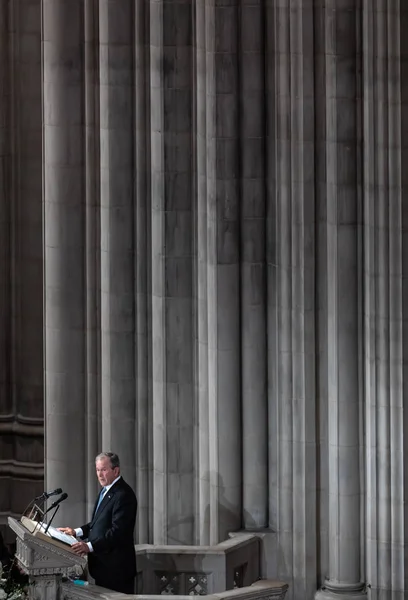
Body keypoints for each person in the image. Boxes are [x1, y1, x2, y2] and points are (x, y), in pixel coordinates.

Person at [59, 452, 137, 594]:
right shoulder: (106, 491)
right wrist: (76, 532)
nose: (100, 475)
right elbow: (98, 523)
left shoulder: (123, 494)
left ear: (116, 470)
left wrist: (89, 546)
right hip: (103, 567)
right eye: (97, 470)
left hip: (116, 570)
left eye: (104, 470)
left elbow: (118, 532)